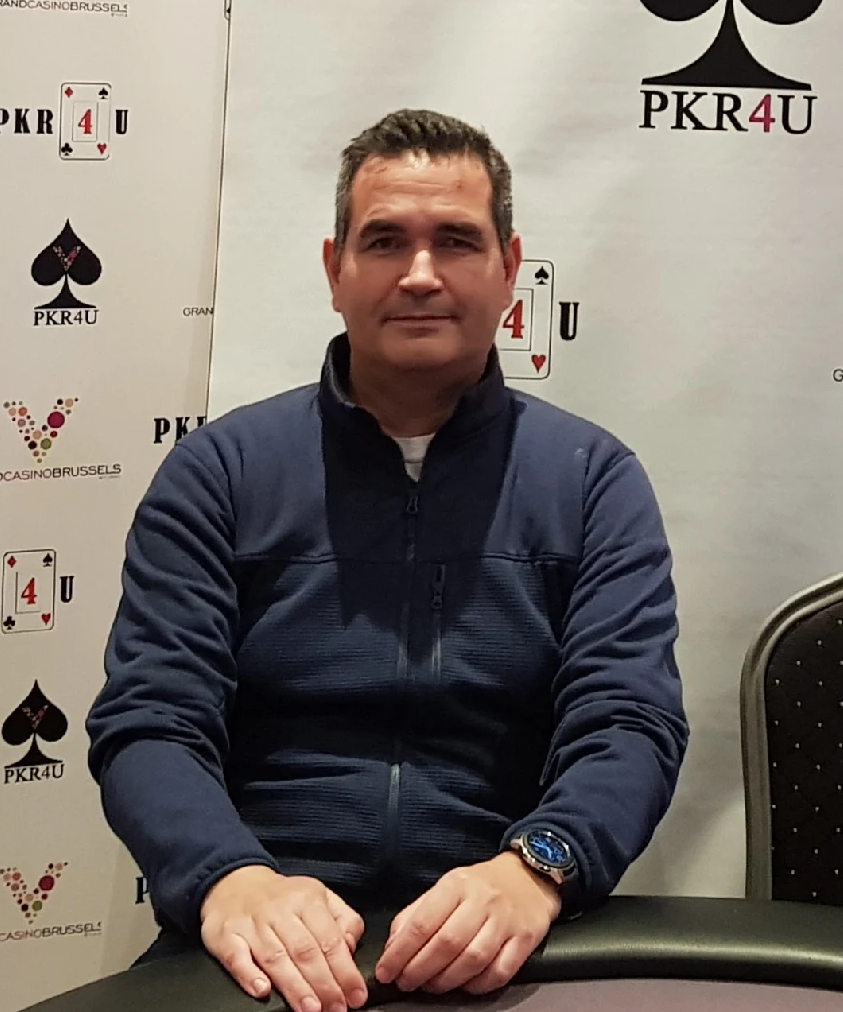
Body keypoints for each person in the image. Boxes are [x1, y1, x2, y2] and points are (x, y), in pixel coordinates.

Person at [86, 109, 687, 1011]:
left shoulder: (593, 479)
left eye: (456, 240)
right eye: (384, 241)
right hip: (262, 943)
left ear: (510, 269)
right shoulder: (221, 472)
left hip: (512, 939)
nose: (420, 273)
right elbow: (150, 721)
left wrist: (540, 866)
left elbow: (630, 722)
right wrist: (228, 879)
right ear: (336, 269)